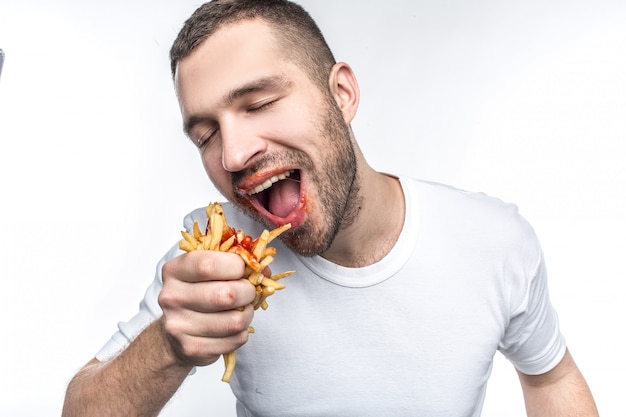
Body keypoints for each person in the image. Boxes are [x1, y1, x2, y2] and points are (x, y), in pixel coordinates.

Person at [62, 0, 599, 416]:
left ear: (341, 93)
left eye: (259, 103)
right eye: (205, 135)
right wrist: (169, 346)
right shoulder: (213, 251)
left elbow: (550, 376)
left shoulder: (496, 241)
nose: (232, 154)